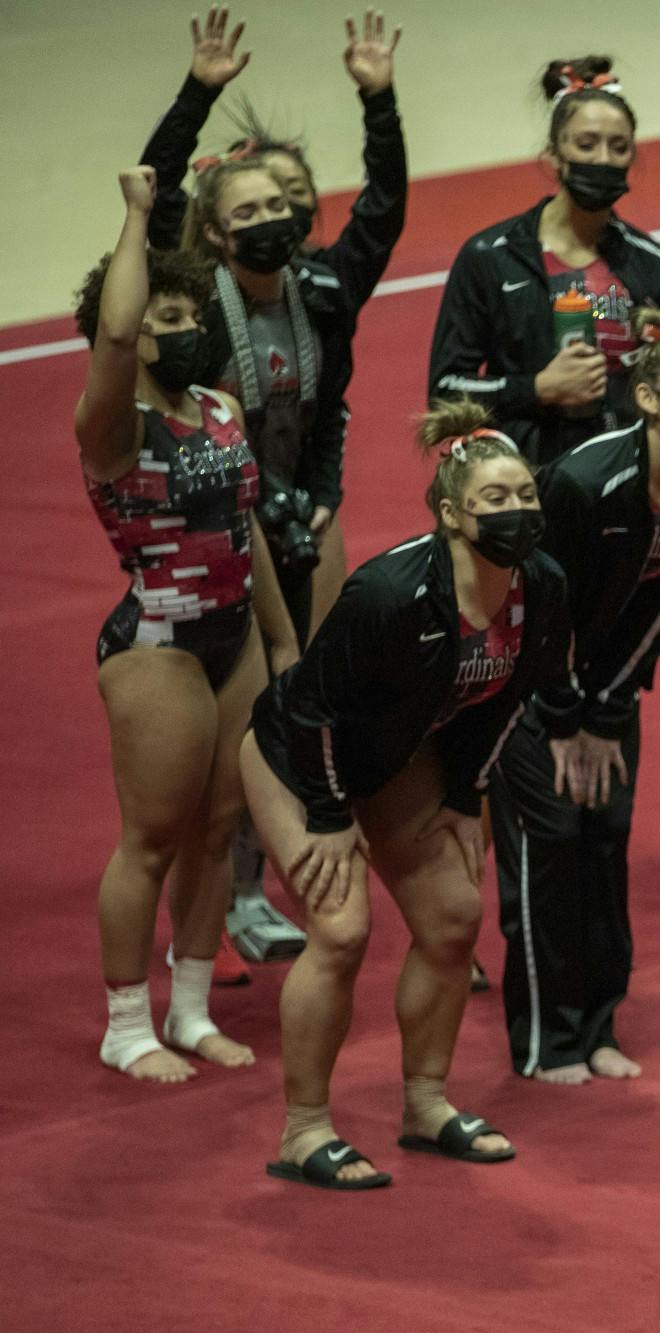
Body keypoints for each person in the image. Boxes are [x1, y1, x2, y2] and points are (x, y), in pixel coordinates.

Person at [241, 401, 570, 1190]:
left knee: (454, 917)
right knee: (343, 928)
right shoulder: (388, 592)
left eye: (525, 494)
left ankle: (426, 1103)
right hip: (297, 757)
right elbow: (312, 705)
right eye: (495, 500)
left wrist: (464, 793)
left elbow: (510, 703)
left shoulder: (543, 588)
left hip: (396, 756)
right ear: (452, 514)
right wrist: (326, 814)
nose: (517, 510)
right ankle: (304, 1128)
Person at [142, 6, 409, 965]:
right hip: (212, 526)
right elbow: (155, 192)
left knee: (298, 701)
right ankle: (209, 898)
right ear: (212, 231)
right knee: (219, 731)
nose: (270, 219)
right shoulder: (193, 301)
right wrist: (198, 92)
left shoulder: (323, 290)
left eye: (283, 207)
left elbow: (382, 216)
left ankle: (262, 883)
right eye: (247, 209)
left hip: (300, 514)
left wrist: (380, 101)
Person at [76, 166, 299, 1082]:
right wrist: (136, 214)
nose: (175, 327)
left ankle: (193, 1007)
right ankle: (126, 1020)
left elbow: (243, 524)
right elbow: (120, 326)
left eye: (186, 313)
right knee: (153, 837)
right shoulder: (110, 426)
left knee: (217, 828)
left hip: (234, 634)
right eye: (158, 317)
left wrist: (283, 639)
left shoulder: (220, 409)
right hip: (157, 646)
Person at [489, 315, 660, 1082]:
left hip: (607, 691)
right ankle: (546, 1040)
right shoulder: (582, 479)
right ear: (648, 397)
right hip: (530, 689)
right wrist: (564, 714)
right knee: (550, 845)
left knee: (605, 843)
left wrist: (607, 708)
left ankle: (600, 1023)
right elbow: (537, 604)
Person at [430, 54, 660, 466]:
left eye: (619, 146)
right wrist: (536, 388)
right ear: (554, 155)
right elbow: (445, 391)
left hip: (625, 479)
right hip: (526, 484)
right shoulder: (490, 258)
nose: (604, 159)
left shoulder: (658, 268)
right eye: (586, 144)